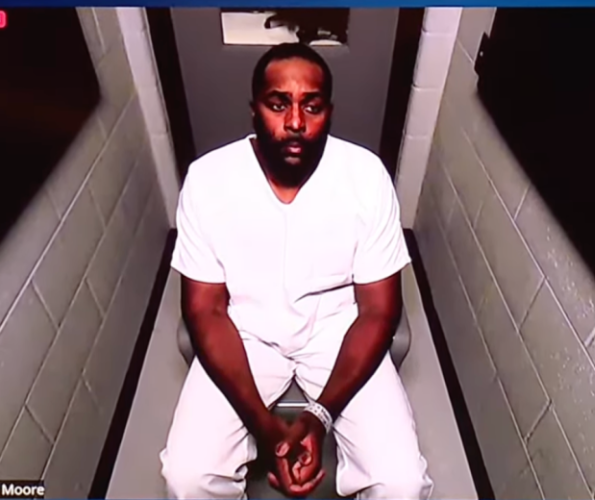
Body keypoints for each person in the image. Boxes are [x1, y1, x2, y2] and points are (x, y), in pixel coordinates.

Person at [160, 42, 434, 500]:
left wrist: (319, 416)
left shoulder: (366, 177)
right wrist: (264, 426)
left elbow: (379, 311)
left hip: (338, 330)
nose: (294, 123)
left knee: (401, 482)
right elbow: (205, 310)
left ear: (329, 112)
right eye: (278, 104)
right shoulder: (208, 180)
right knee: (187, 477)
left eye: (311, 106)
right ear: (254, 110)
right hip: (244, 331)